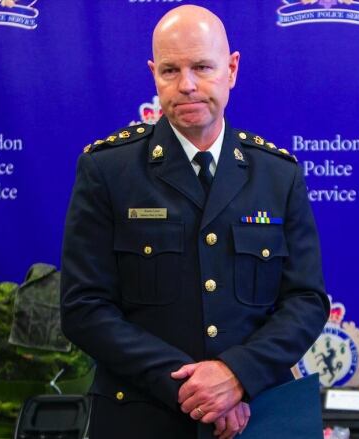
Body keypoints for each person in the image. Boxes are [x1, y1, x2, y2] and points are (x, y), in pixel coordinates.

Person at [60, 5, 329, 439]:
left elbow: (305, 300)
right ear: (153, 74)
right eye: (170, 70)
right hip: (142, 418)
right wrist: (195, 389)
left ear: (232, 69)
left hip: (256, 415)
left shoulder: (278, 174)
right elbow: (83, 309)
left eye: (202, 67)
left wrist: (238, 375)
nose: (186, 85)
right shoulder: (107, 171)